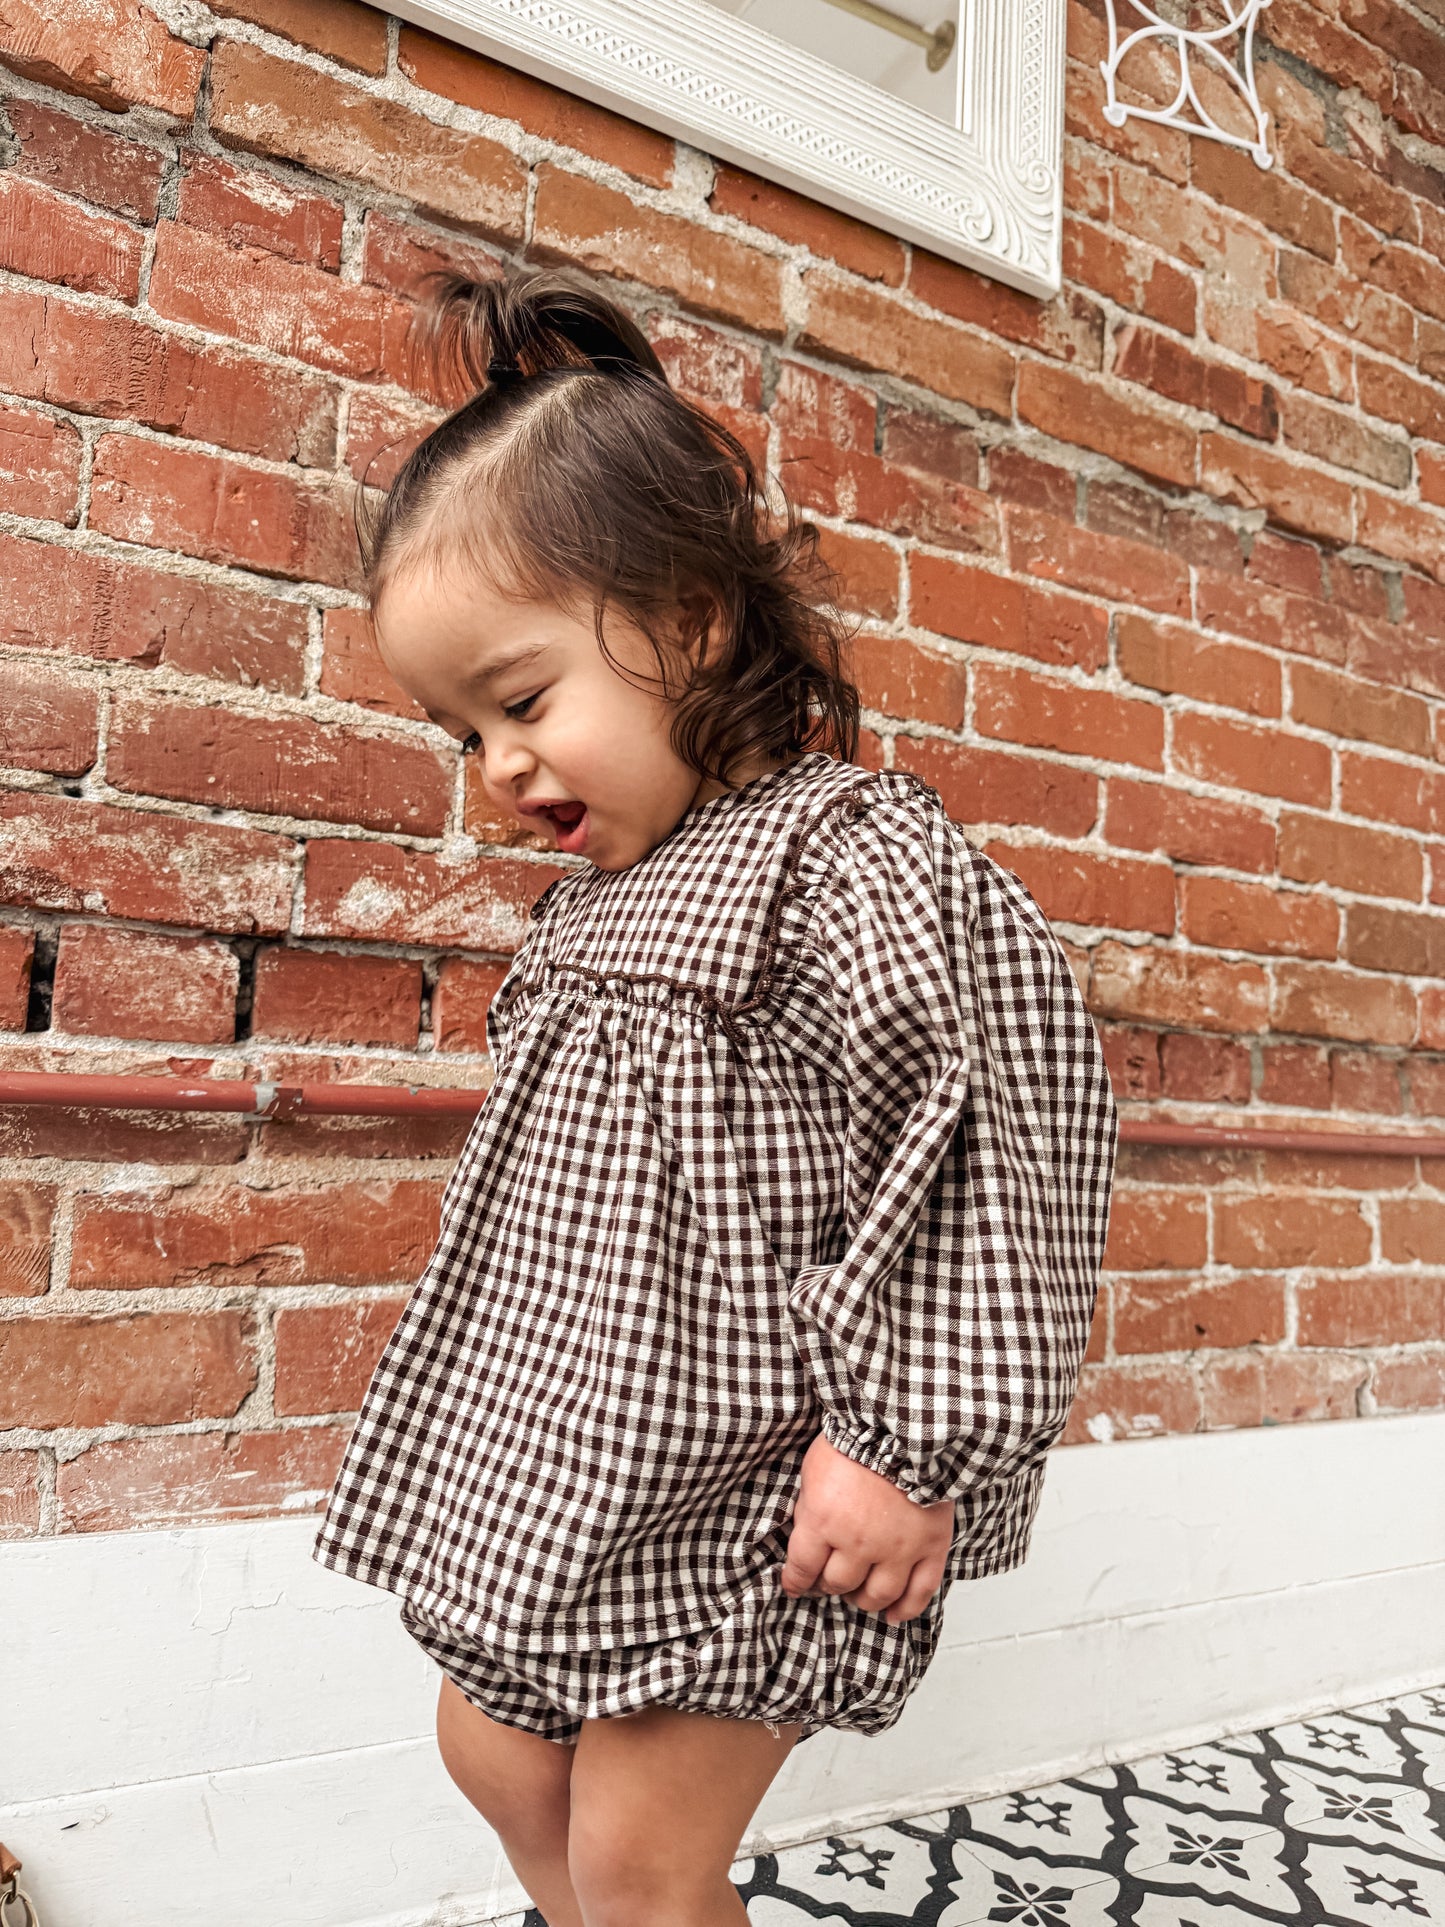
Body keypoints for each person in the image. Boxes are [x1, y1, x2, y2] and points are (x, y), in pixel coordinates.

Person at [312, 263, 1119, 1927]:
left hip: (761, 1473)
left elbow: (994, 1146)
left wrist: (905, 1447)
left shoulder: (848, 858)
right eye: (461, 730)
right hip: (573, 1457)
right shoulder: (593, 903)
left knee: (639, 1851)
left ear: (686, 620)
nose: (500, 768)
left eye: (522, 701)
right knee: (493, 1752)